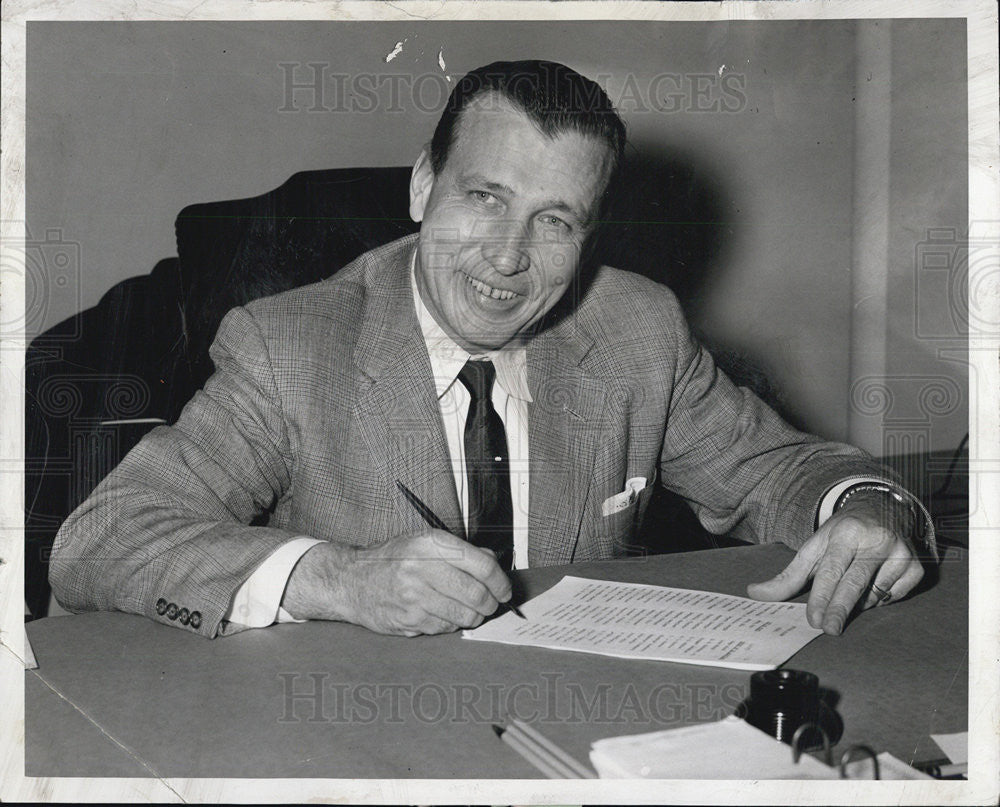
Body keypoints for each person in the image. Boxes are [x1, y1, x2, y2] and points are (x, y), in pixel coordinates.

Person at [50, 60, 934, 640]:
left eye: (555, 220)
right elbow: (101, 538)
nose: (509, 257)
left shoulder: (637, 329)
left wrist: (867, 507)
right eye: (484, 197)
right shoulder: (288, 346)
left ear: (588, 237)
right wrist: (336, 579)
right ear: (424, 184)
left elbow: (782, 473)